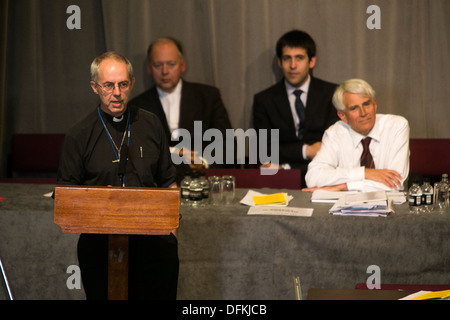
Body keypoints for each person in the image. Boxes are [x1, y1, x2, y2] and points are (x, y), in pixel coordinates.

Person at [56, 52, 179, 300]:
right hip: (100, 246)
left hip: (152, 243)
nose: (117, 93)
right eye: (108, 85)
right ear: (94, 87)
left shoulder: (151, 124)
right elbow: (66, 196)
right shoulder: (79, 135)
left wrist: (173, 234)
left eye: (123, 84)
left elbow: (168, 182)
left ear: (131, 83)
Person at [130, 37, 232, 175]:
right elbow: (136, 149)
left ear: (182, 66)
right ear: (149, 68)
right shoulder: (137, 106)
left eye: (171, 64)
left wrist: (203, 161)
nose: (165, 71)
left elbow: (227, 142)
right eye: (158, 65)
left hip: (203, 179)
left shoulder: (208, 96)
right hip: (158, 183)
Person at [252, 29, 339, 185]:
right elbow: (265, 149)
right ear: (279, 62)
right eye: (287, 58)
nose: (293, 65)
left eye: (299, 58)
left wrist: (286, 167)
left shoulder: (332, 94)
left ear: (311, 61)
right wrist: (307, 151)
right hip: (280, 182)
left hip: (325, 177)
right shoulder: (264, 99)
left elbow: (334, 147)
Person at [304, 78, 410, 192]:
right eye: (354, 108)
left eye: (366, 104)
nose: (363, 113)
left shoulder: (397, 126)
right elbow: (313, 178)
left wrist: (344, 187)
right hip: (345, 207)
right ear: (342, 115)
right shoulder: (334, 133)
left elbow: (396, 183)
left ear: (374, 105)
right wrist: (365, 173)